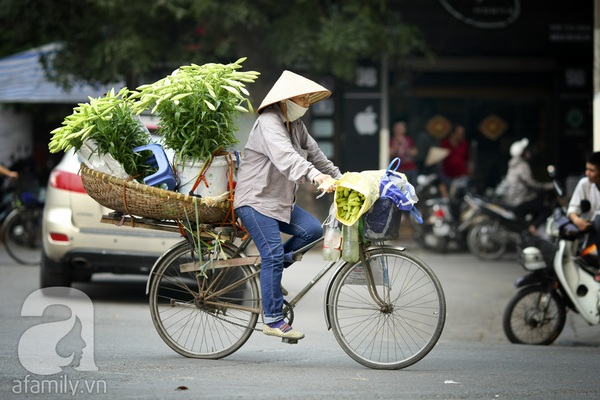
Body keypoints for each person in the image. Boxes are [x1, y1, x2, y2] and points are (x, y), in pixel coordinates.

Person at [233, 70, 342, 341]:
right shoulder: (269, 122)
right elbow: (287, 158)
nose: (306, 103)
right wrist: (315, 177)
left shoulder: (296, 126)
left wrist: (342, 179)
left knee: (313, 231)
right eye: (302, 98)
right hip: (255, 201)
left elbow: (316, 155)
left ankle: (269, 272)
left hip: (280, 202)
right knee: (271, 254)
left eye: (307, 98)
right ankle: (272, 319)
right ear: (286, 100)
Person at [501, 138, 553, 235]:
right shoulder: (522, 165)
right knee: (547, 209)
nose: (529, 152)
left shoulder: (512, 164)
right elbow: (532, 183)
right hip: (521, 200)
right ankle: (532, 228)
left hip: (512, 199)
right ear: (523, 153)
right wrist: (548, 186)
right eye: (526, 150)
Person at [567, 152, 600, 281]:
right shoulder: (584, 184)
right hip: (589, 234)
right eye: (587, 169)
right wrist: (577, 220)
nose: (587, 173)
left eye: (592, 170)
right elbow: (572, 208)